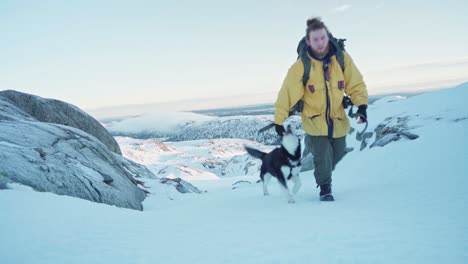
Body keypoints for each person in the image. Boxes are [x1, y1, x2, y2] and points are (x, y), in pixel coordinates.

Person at [273, 17, 368, 201]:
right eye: (315, 39)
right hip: (314, 121)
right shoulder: (302, 66)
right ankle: (325, 187)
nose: (320, 43)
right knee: (323, 153)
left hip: (338, 120)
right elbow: (287, 93)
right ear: (308, 41)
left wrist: (362, 106)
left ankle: (318, 158)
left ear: (328, 37)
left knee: (338, 152)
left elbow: (355, 83)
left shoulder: (341, 58)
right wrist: (278, 120)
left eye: (322, 38)